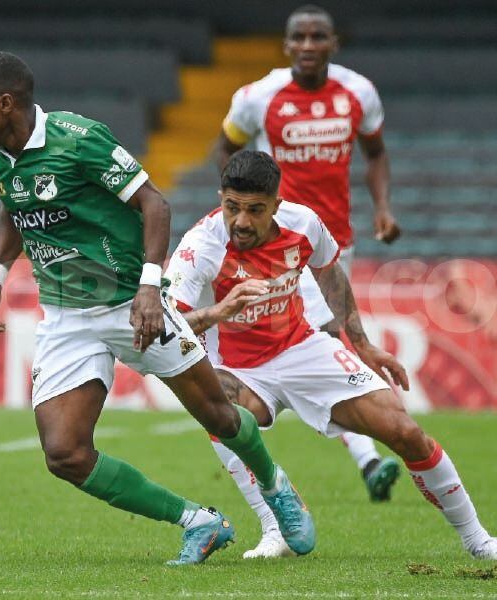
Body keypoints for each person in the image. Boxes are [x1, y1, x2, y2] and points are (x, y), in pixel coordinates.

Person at [0, 51, 315, 565]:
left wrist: (151, 290)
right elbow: (14, 206)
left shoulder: (79, 140)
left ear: (6, 102)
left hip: (132, 302)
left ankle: (276, 485)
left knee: (217, 413)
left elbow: (155, 203)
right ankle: (198, 522)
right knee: (65, 454)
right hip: (65, 317)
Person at [166, 150, 497, 561]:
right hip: (238, 366)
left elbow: (329, 272)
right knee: (216, 407)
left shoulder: (303, 224)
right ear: (221, 198)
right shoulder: (201, 246)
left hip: (304, 349)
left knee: (405, 432)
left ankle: (478, 540)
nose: (241, 221)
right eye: (232, 207)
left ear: (277, 205)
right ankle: (276, 528)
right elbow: (166, 323)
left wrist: (362, 344)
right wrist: (220, 311)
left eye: (255, 210)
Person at [213, 4, 401, 519]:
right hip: (278, 245)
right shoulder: (257, 98)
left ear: (333, 43)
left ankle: (355, 450)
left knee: (320, 340)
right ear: (287, 44)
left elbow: (377, 153)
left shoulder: (358, 93)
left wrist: (383, 208)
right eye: (300, 36)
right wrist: (234, 215)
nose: (309, 45)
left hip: (334, 239)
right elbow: (226, 151)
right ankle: (367, 458)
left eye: (319, 36)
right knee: (326, 336)